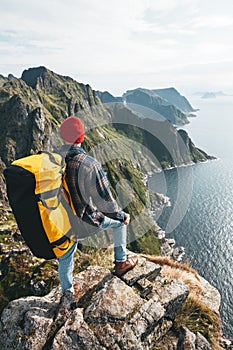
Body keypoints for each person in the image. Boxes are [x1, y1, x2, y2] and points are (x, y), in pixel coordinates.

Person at [58, 116, 138, 296]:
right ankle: (121, 262)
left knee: (66, 255)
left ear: (63, 136)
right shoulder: (89, 164)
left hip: (62, 223)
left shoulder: (55, 160)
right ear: (82, 137)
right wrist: (122, 216)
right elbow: (105, 202)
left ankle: (67, 292)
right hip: (84, 222)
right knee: (119, 224)